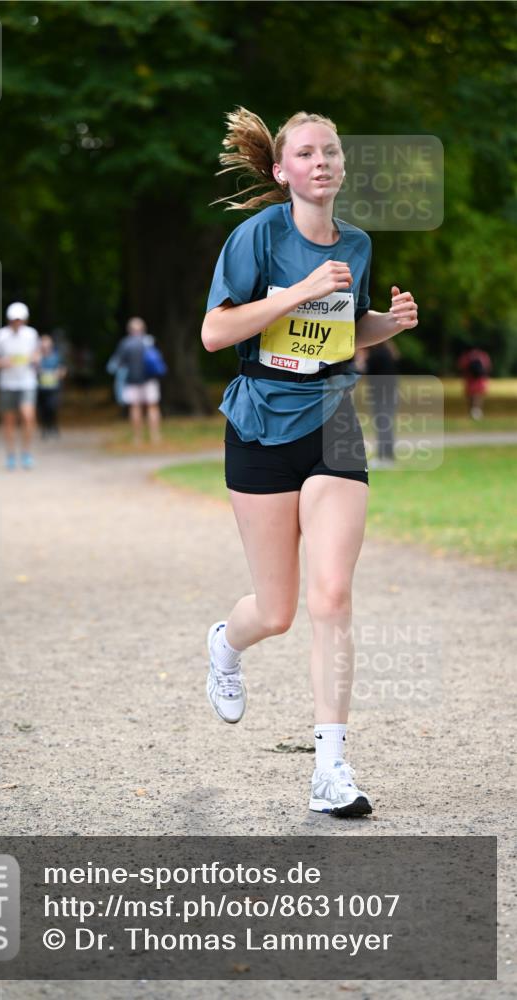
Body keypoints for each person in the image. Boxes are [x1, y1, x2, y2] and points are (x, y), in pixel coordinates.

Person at [201, 108, 418, 817]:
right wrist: (293, 291)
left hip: (330, 422)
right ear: (281, 170)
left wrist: (381, 326)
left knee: (331, 595)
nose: (320, 161)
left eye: (330, 151)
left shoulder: (355, 243)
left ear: (341, 165)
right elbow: (214, 332)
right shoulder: (255, 237)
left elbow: (335, 336)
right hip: (260, 423)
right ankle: (225, 644)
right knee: (278, 610)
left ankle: (330, 768)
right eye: (305, 153)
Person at [0, 302, 40, 470]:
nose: (17, 322)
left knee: (28, 416)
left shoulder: (31, 335)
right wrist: (1, 363)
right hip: (7, 383)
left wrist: (35, 359)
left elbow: (37, 354)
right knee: (9, 420)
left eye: (20, 320)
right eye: (14, 320)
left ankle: (26, 453)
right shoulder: (0, 336)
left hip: (27, 382)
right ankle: (10, 454)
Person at [111, 317, 164, 444]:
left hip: (132, 381)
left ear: (129, 330)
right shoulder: (149, 341)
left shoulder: (125, 343)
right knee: (153, 407)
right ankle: (155, 436)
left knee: (135, 408)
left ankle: (137, 438)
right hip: (150, 379)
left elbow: (117, 364)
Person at [365, 339, 400, 468]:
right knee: (386, 425)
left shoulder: (377, 355)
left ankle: (384, 457)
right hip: (390, 393)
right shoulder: (388, 352)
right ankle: (387, 456)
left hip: (382, 395)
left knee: (383, 425)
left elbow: (367, 370)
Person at [37, 334, 66, 438]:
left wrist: (58, 374)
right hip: (40, 388)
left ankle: (53, 426)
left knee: (52, 408)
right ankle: (45, 429)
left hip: (54, 388)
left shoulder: (57, 356)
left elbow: (63, 370)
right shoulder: (37, 357)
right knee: (42, 410)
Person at [457, 346, 492, 420]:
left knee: (471, 397)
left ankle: (472, 413)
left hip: (469, 379)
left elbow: (461, 366)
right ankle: (477, 413)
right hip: (480, 380)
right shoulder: (483, 355)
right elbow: (488, 366)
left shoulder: (467, 356)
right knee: (478, 396)